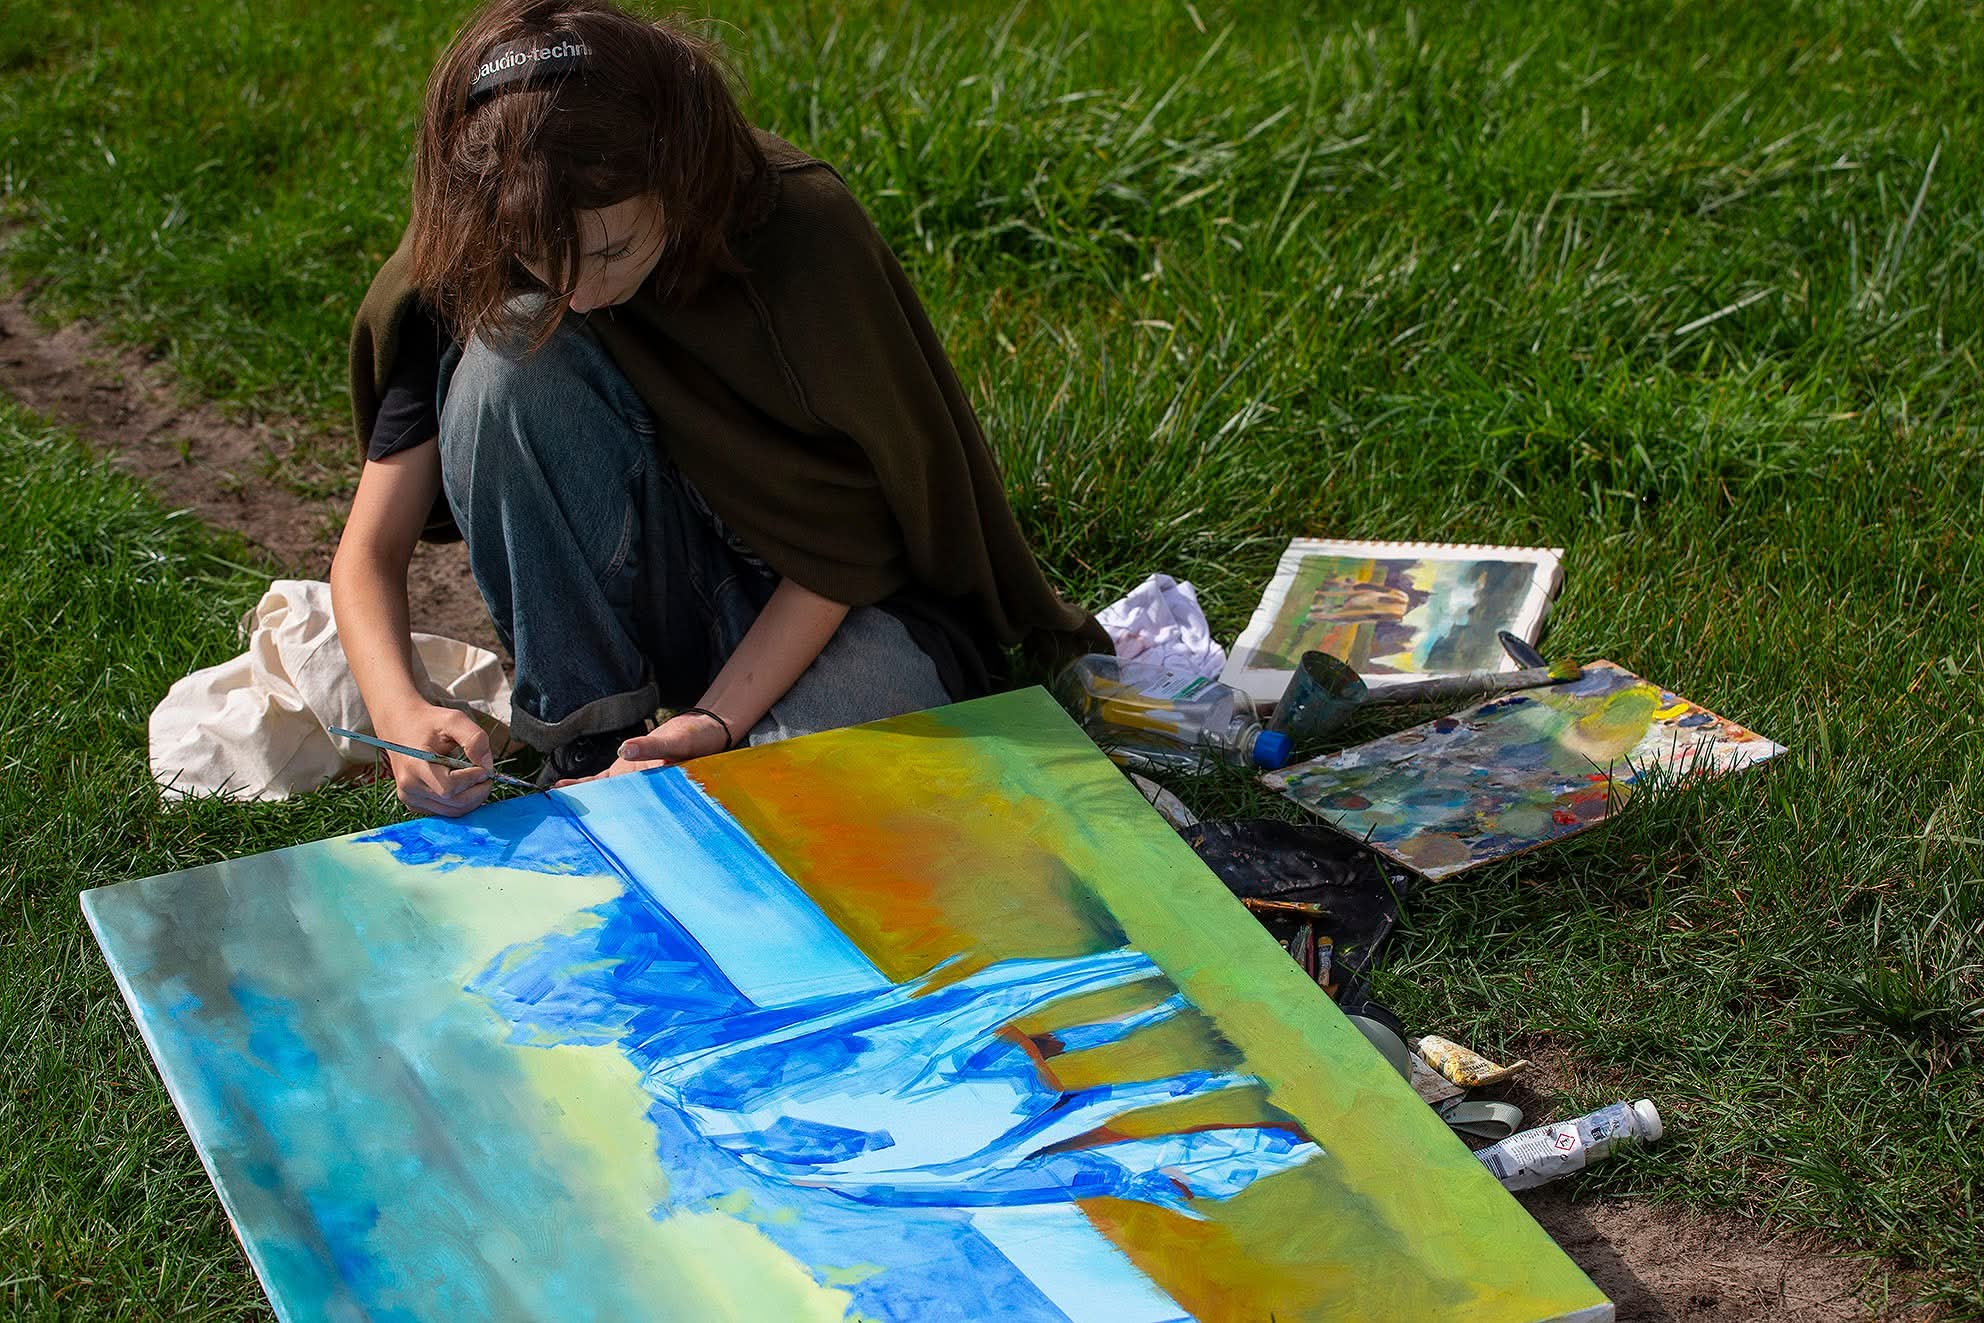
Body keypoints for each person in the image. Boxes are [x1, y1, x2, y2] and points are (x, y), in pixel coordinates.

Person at [331, 0, 1107, 818]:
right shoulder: (469, 248)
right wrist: (399, 709)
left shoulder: (795, 231)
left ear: (677, 179)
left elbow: (850, 539)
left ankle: (715, 752)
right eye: (538, 258)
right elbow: (368, 551)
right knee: (511, 356)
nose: (579, 293)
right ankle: (591, 741)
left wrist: (715, 720)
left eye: (613, 250)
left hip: (843, 604)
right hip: (677, 597)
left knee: (802, 810)